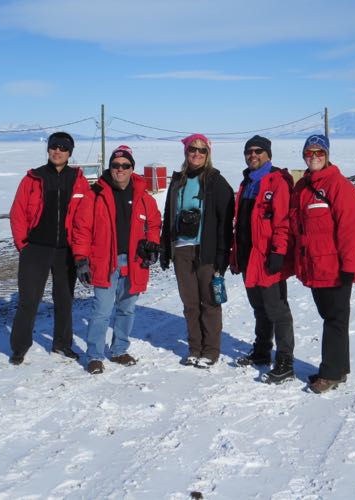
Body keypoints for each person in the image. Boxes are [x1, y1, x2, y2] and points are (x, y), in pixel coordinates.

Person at [71, 145, 161, 375]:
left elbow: (154, 222)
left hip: (133, 261)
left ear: (132, 168)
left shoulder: (143, 196)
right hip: (104, 261)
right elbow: (81, 229)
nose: (120, 169)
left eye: (125, 165)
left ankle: (119, 349)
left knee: (127, 309)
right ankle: (94, 355)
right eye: (116, 165)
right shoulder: (95, 195)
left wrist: (152, 243)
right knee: (101, 310)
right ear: (109, 168)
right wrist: (81, 259)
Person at [290, 134, 355, 393]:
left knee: (335, 319)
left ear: (328, 155)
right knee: (330, 317)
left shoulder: (338, 186)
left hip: (335, 269)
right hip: (315, 267)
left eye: (319, 153)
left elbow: (351, 230)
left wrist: (349, 267)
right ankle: (338, 369)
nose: (314, 157)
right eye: (309, 153)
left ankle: (331, 373)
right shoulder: (302, 187)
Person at [9, 131, 90, 365]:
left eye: (63, 148)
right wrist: (23, 244)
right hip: (35, 248)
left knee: (64, 298)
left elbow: (84, 216)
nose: (58, 151)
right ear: (48, 149)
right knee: (29, 300)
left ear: (69, 153)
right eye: (54, 146)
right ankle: (19, 346)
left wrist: (81, 249)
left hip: (66, 250)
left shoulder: (78, 179)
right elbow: (18, 213)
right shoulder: (33, 178)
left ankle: (62, 343)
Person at [160, 133, 234, 368]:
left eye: (202, 150)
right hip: (182, 250)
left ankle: (211, 350)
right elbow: (168, 216)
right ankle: (194, 347)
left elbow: (225, 221)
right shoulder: (178, 181)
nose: (197, 154)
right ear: (186, 151)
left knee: (210, 302)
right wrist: (165, 248)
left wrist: (222, 254)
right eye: (193, 149)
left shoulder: (215, 182)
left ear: (208, 154)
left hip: (207, 251)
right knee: (190, 303)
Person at [230, 135, 295, 384]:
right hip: (249, 258)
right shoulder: (247, 182)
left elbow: (283, 222)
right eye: (249, 151)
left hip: (268, 258)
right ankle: (262, 351)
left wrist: (279, 252)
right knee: (259, 308)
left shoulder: (277, 181)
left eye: (258, 151)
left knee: (277, 310)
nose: (253, 155)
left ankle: (286, 360)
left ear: (268, 154)